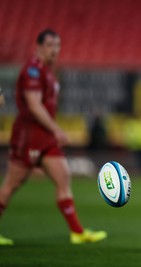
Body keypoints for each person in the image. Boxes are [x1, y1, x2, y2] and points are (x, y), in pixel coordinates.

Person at [0, 29, 107, 246]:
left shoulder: (47, 71)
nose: (54, 50)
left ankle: (77, 232)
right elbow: (33, 105)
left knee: (63, 177)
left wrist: (51, 131)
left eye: (57, 46)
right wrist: (56, 129)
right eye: (50, 45)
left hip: (45, 136)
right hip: (29, 134)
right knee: (12, 184)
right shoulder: (32, 70)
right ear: (38, 46)